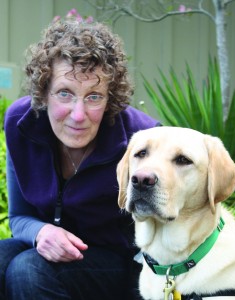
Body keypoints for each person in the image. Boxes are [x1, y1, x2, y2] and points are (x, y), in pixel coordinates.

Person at [0, 20, 160, 300]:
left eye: (94, 97)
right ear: (43, 92)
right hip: (52, 250)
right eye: (65, 93)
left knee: (27, 270)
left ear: (110, 98)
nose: (78, 114)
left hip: (122, 263)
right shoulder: (21, 123)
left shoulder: (143, 139)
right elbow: (19, 216)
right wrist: (42, 232)